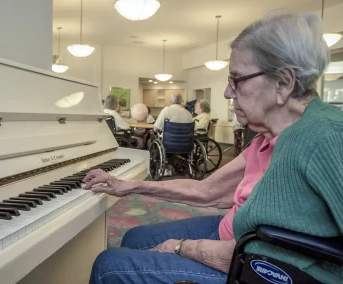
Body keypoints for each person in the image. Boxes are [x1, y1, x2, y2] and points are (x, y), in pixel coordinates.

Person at [84, 11, 343, 284]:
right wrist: (130, 186)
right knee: (134, 237)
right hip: (240, 240)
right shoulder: (268, 138)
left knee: (109, 266)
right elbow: (206, 190)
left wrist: (184, 247)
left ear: (283, 82)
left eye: (237, 79)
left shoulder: (327, 135)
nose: (227, 93)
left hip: (263, 269)